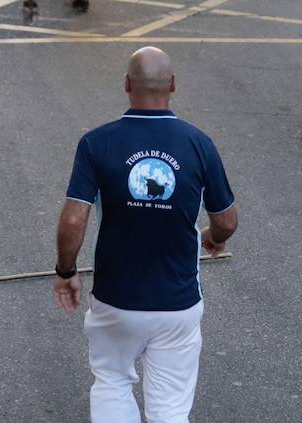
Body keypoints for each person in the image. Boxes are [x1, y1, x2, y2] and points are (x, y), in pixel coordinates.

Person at [53, 46, 238, 423]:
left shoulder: (96, 143)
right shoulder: (198, 143)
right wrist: (214, 236)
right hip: (178, 304)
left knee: (112, 382)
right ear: (172, 85)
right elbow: (227, 220)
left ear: (126, 84)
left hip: (115, 300)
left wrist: (65, 272)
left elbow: (74, 221)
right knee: (169, 409)